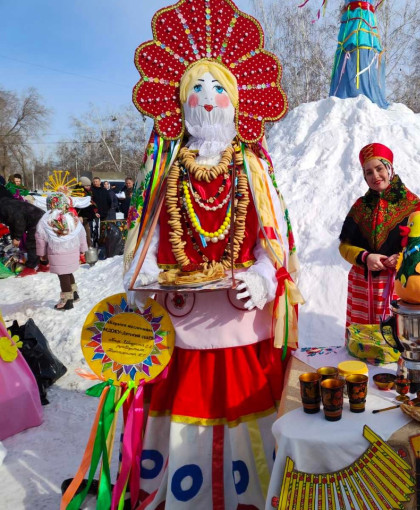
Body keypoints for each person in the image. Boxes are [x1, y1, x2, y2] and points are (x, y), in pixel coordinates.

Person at [121, 5, 302, 505]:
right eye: (195, 89)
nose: (206, 99)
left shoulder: (252, 168)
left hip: (241, 322)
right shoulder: (164, 168)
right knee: (182, 416)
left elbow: (276, 240)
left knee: (247, 421)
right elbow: (145, 236)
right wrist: (150, 275)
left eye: (218, 88)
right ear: (180, 104)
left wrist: (264, 278)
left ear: (237, 102)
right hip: (178, 324)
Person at [339, 143, 420, 330]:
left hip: (400, 282)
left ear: (389, 168)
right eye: (368, 172)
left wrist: (405, 257)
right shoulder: (360, 207)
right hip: (363, 285)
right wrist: (365, 257)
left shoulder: (411, 204)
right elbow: (344, 246)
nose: (375, 176)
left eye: (379, 168)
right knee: (363, 343)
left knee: (398, 339)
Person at [329, 0, 388, 108]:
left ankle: (361, 92)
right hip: (354, 20)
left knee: (363, 49)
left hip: (364, 20)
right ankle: (348, 91)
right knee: (352, 50)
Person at [35, 193, 87, 310]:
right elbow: (82, 234)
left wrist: (42, 254)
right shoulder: (72, 218)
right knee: (68, 272)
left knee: (63, 275)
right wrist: (83, 249)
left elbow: (40, 237)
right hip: (72, 250)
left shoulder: (46, 220)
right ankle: (74, 294)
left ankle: (67, 301)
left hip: (57, 252)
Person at [0, 185, 44, 276]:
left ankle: (30, 268)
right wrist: (14, 237)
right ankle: (44, 264)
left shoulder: (6, 208)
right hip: (36, 218)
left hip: (37, 219)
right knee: (39, 243)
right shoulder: (6, 206)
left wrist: (17, 237)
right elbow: (11, 223)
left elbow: (18, 221)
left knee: (32, 243)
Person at [74, 176, 96, 248]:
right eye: (87, 185)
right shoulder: (78, 193)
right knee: (84, 234)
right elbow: (77, 205)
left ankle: (88, 248)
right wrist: (79, 215)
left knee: (87, 233)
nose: (89, 187)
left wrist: (95, 212)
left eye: (89, 185)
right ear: (82, 185)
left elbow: (90, 203)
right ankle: (85, 249)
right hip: (81, 217)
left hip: (86, 217)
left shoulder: (88, 192)